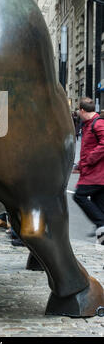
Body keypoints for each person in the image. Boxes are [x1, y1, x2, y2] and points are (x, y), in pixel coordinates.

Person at [73, 97, 104, 245]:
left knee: (80, 196)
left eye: (79, 110)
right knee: (98, 204)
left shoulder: (97, 124)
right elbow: (88, 148)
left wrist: (89, 160)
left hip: (97, 173)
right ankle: (102, 232)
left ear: (83, 110)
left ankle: (102, 225)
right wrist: (80, 165)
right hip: (94, 172)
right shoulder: (89, 124)